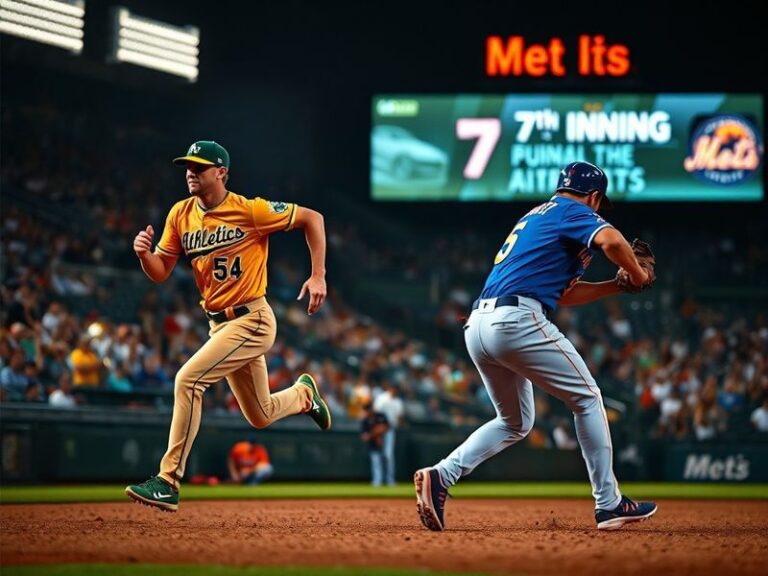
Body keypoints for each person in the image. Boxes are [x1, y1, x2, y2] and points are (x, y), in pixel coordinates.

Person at [414, 161, 658, 531]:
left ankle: (441, 476)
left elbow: (566, 294)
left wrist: (617, 285)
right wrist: (639, 276)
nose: (596, 209)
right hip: (515, 320)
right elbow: (612, 241)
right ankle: (609, 504)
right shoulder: (571, 210)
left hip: (479, 325)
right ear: (593, 196)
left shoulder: (536, 217)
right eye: (598, 203)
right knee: (588, 398)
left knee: (514, 422)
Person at [125, 140, 331, 512]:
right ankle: (303, 396)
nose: (191, 172)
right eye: (188, 166)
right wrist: (144, 255)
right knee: (261, 414)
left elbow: (312, 218)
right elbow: (160, 272)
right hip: (219, 326)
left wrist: (318, 276)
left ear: (221, 172)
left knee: (188, 381)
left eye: (200, 167)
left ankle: (168, 480)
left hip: (252, 318)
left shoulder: (250, 210)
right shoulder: (180, 214)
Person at [373, 381, 404, 485]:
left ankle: (390, 480)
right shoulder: (381, 398)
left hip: (390, 430)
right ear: (390, 388)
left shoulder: (398, 401)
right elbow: (376, 414)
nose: (395, 391)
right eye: (393, 388)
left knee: (388, 455)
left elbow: (399, 418)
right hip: (379, 429)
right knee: (377, 455)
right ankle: (378, 480)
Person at [360, 400, 390, 486]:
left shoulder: (380, 415)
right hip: (373, 444)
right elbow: (364, 437)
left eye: (368, 409)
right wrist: (375, 434)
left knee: (387, 459)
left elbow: (386, 427)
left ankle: (389, 481)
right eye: (366, 410)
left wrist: (376, 433)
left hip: (386, 441)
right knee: (376, 462)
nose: (367, 411)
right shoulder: (365, 420)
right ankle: (377, 481)